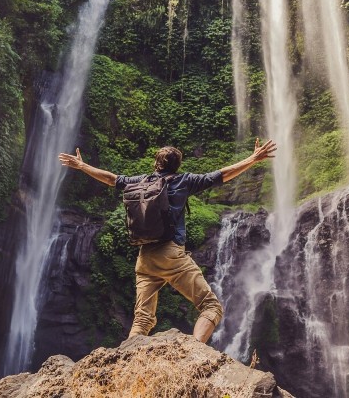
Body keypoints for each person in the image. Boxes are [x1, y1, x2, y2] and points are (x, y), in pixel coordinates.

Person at [59, 138, 277, 344]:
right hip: (172, 255)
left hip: (145, 258)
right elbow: (221, 175)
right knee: (211, 306)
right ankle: (194, 353)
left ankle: (126, 361)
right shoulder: (184, 181)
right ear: (178, 165)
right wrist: (253, 158)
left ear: (156, 164)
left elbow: (111, 178)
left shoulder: (140, 182)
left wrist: (82, 166)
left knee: (142, 319)